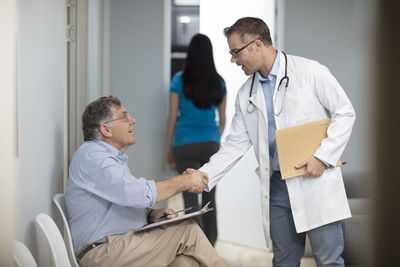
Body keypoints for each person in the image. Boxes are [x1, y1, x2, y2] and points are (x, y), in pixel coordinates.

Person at [199, 17, 356, 267]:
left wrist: (322, 157)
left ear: (256, 44)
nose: (232, 60)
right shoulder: (245, 93)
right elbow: (234, 144)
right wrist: (204, 175)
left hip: (314, 180)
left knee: (328, 261)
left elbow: (345, 112)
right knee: (283, 263)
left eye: (235, 52)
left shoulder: (310, 71)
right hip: (277, 187)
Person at [65, 96, 225, 267]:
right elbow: (139, 194)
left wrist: (148, 214)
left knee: (185, 263)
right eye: (124, 116)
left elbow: (121, 200)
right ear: (106, 130)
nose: (132, 120)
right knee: (188, 230)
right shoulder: (94, 156)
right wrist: (186, 181)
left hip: (116, 245)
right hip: (103, 253)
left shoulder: (105, 158)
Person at [165, 33, 226, 246]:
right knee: (210, 199)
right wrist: (214, 138)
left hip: (184, 143)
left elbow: (172, 116)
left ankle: (196, 249)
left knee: (190, 201)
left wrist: (168, 148)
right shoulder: (219, 82)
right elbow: (223, 118)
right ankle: (210, 246)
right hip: (211, 143)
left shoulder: (179, 80)